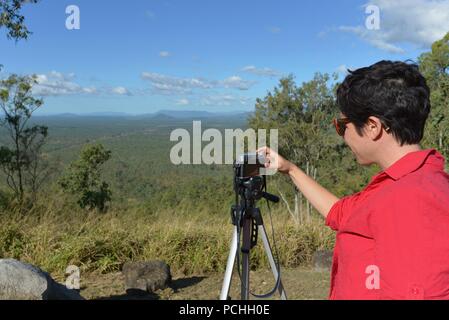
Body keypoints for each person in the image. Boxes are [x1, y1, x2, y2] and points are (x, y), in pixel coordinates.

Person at [258, 60, 449, 300]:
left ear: (372, 127)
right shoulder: (399, 183)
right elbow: (341, 214)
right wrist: (290, 169)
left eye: (342, 125)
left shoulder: (410, 198)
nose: (342, 135)